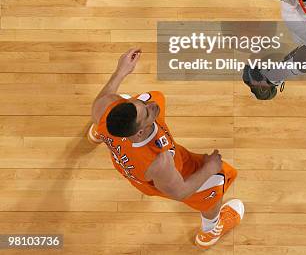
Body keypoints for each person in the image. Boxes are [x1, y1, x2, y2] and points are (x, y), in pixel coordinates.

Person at [87, 48, 243, 249]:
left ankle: (99, 135)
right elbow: (180, 192)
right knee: (214, 187)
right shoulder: (160, 161)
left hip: (124, 156)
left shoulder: (103, 110)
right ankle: (210, 230)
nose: (151, 105)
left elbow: (108, 96)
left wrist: (121, 71)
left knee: (120, 96)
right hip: (163, 177)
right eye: (147, 112)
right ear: (140, 133)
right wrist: (210, 168)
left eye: (139, 104)